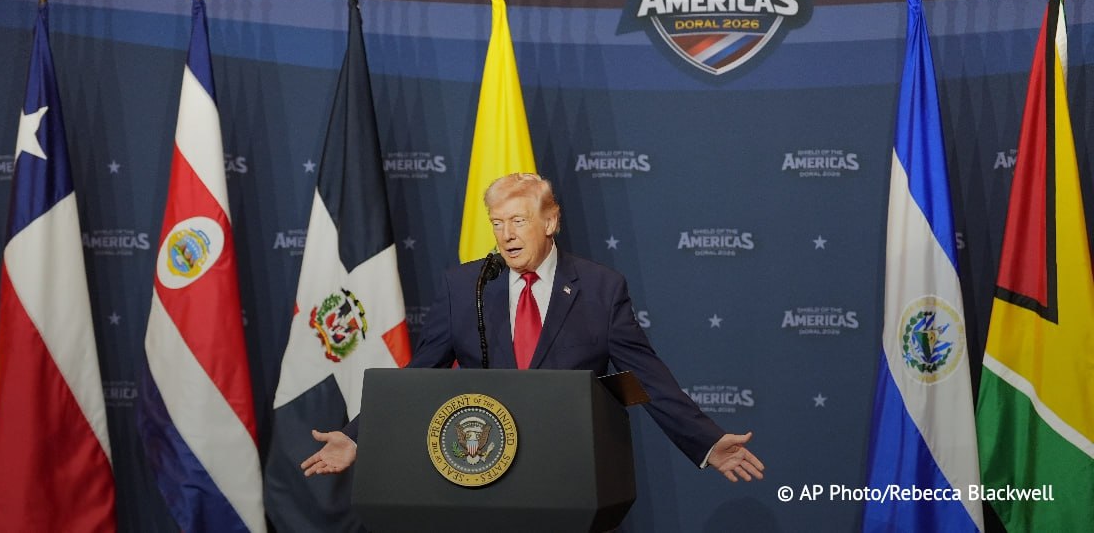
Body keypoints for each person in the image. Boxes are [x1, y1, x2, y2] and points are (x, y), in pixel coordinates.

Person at [302, 172, 764, 483]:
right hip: (484, 471)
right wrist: (357, 434)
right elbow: (420, 375)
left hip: (570, 473)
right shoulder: (464, 286)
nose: (506, 235)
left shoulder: (601, 289)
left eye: (518, 221)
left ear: (550, 221)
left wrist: (707, 441)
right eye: (497, 223)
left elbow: (647, 377)